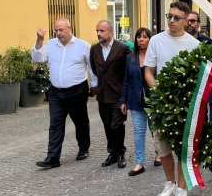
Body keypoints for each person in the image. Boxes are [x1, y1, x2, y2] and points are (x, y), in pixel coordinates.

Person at [144, 2, 200, 196]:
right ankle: (170, 183)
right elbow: (149, 71)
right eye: (170, 16)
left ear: (187, 21)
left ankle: (182, 190)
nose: (171, 20)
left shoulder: (194, 45)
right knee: (163, 148)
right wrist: (159, 91)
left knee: (184, 149)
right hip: (161, 104)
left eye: (177, 18)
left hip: (185, 105)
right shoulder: (156, 40)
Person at [33, 19, 91, 169]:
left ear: (70, 29)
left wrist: (95, 86)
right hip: (56, 92)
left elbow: (92, 68)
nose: (58, 34)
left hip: (77, 90)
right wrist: (39, 40)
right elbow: (37, 58)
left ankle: (84, 148)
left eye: (61, 30)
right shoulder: (51, 44)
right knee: (55, 124)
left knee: (80, 121)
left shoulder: (83, 46)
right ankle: (53, 158)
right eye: (56, 31)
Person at [90, 20, 131, 168]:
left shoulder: (122, 48)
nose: (99, 34)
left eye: (102, 31)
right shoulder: (94, 49)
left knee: (117, 125)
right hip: (103, 94)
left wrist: (126, 96)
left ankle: (121, 152)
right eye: (97, 31)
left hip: (118, 94)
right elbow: (94, 69)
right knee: (107, 124)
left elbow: (129, 71)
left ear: (111, 32)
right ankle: (112, 153)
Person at [120, 27, 154, 176]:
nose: (141, 39)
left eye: (145, 37)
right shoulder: (130, 58)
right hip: (135, 101)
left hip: (153, 101)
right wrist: (123, 100)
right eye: (139, 37)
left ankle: (160, 154)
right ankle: (140, 163)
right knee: (139, 131)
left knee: (156, 131)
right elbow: (126, 80)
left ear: (150, 39)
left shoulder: (155, 56)